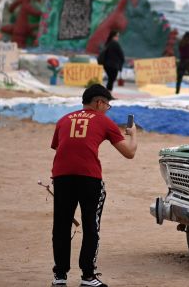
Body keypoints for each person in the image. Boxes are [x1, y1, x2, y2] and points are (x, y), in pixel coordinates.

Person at [51, 85, 137, 287]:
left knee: (61, 226)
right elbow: (129, 153)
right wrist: (133, 134)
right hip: (89, 178)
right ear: (98, 102)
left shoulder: (63, 119)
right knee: (91, 225)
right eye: (107, 104)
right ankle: (88, 276)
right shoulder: (104, 121)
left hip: (62, 177)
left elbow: (60, 147)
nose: (108, 108)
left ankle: (59, 276)